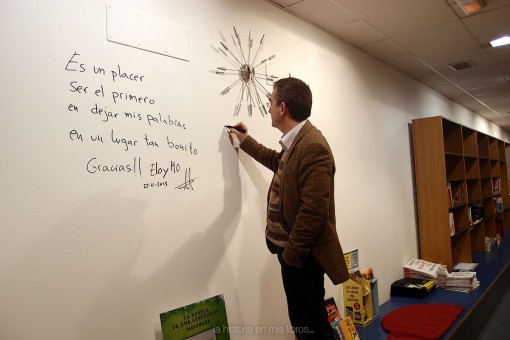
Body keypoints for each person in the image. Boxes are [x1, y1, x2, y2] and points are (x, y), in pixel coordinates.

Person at [228, 77, 349, 339]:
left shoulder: (313, 145)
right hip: (294, 255)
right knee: (304, 324)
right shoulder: (296, 141)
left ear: (282, 107)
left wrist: (291, 256)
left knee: (311, 327)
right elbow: (277, 161)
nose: (268, 107)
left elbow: (314, 212)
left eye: (270, 102)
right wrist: (245, 140)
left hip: (302, 258)